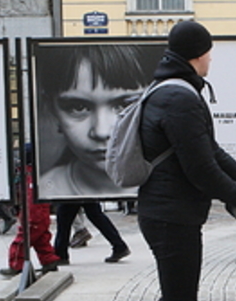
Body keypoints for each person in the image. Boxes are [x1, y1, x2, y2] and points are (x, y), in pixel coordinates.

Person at [103, 21, 236, 301]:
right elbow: (200, 168)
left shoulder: (171, 91)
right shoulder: (180, 99)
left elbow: (211, 152)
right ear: (197, 53)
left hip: (167, 212)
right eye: (208, 52)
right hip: (170, 215)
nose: (211, 59)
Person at [35, 44, 159, 198]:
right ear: (51, 109)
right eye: (78, 107)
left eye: (124, 106)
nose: (102, 131)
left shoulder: (178, 187)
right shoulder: (45, 190)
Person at [0, 145, 60, 277]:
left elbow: (30, 198)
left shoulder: (29, 175)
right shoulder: (39, 173)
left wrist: (27, 216)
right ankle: (49, 262)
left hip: (33, 214)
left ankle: (16, 265)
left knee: (22, 241)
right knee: (41, 239)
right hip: (41, 214)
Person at [54, 202, 130, 264]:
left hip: (74, 189)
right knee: (95, 214)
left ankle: (60, 254)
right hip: (84, 188)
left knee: (64, 217)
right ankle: (119, 245)